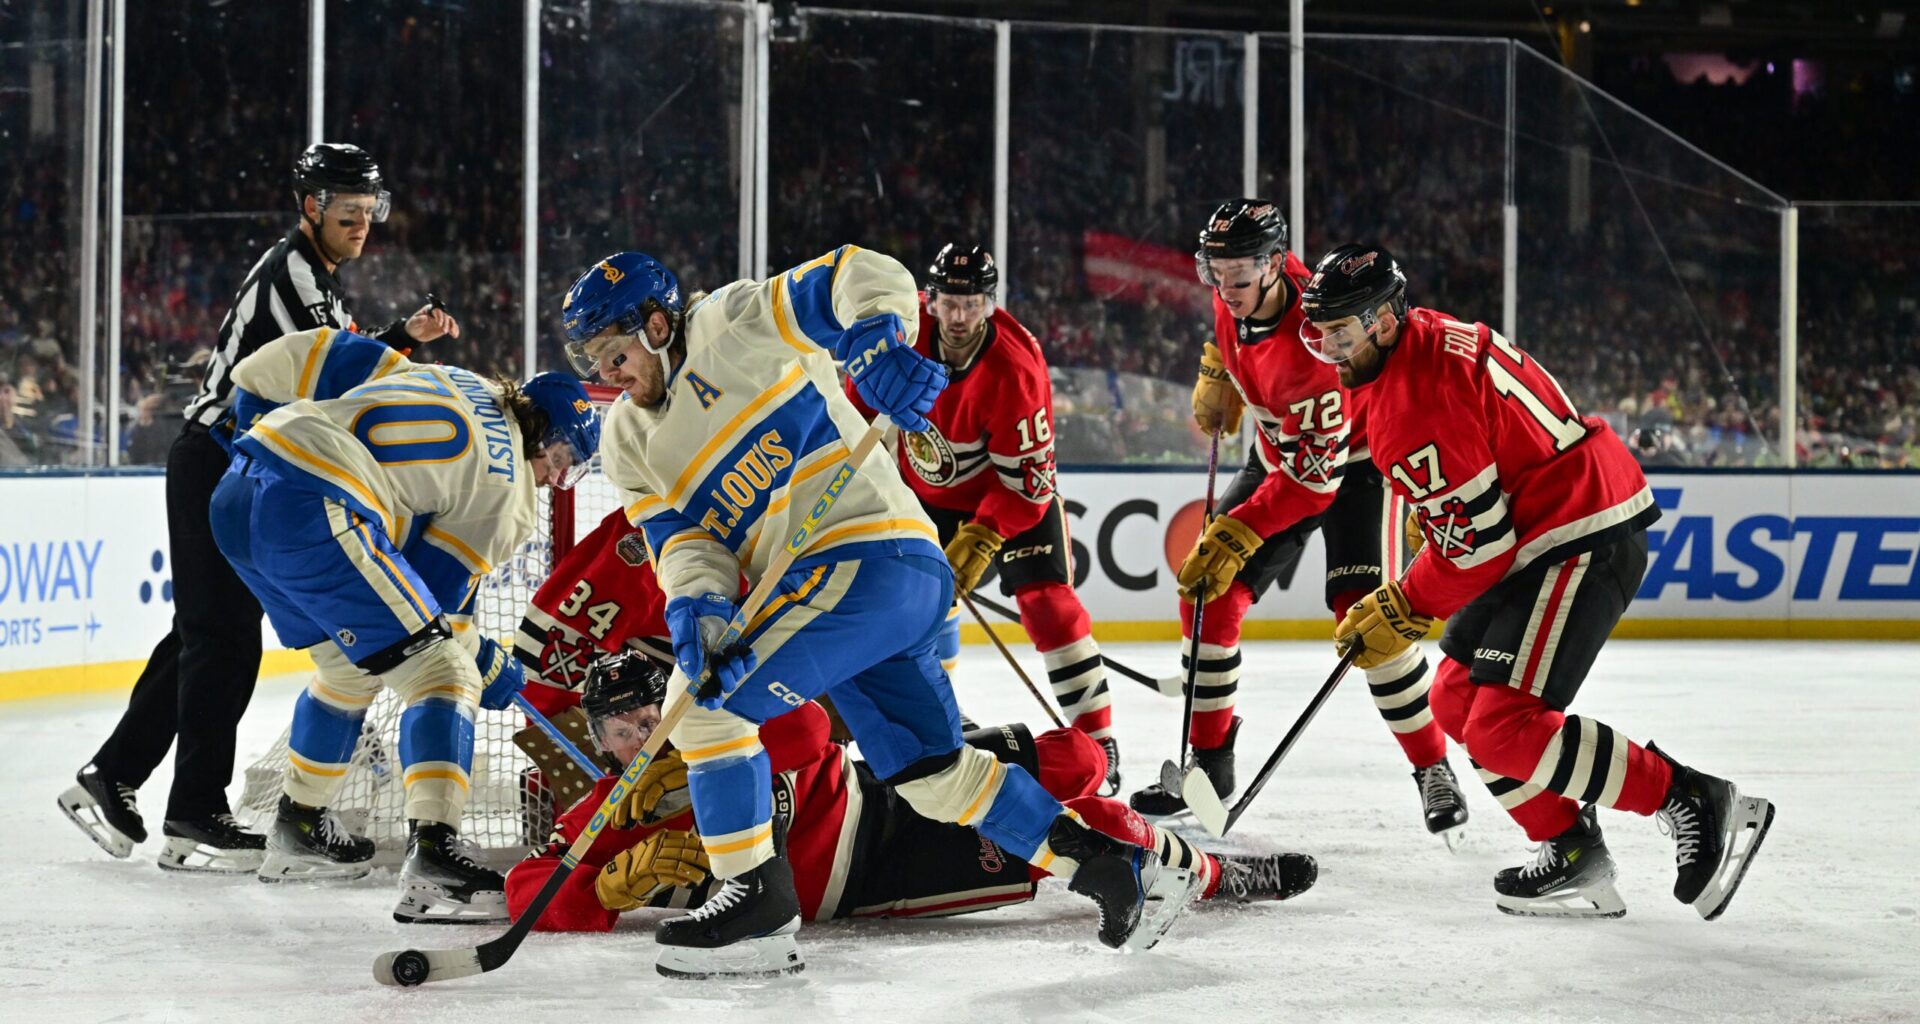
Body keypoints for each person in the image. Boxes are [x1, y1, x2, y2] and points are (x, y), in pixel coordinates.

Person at [560, 247, 1199, 978]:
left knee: (704, 712)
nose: (605, 374)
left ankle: (756, 909)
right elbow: (685, 542)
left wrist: (875, 340)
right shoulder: (627, 442)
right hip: (867, 590)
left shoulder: (731, 323)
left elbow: (857, 274)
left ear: (655, 327)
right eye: (592, 360)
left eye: (613, 354)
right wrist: (697, 608)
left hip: (866, 559)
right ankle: (1123, 871)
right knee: (932, 774)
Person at [1306, 241, 1775, 919]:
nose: (1328, 349)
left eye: (1339, 333)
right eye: (1320, 333)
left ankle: (1692, 797)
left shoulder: (1416, 402)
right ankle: (1571, 849)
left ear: (1381, 321)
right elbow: (1477, 473)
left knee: (1502, 727)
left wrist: (1405, 602)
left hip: (1574, 531)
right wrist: (1434, 516)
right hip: (1541, 525)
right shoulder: (1420, 337)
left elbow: (1479, 547)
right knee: (1455, 701)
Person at [58, 143, 458, 873]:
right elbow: (341, 375)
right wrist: (427, 384)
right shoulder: (294, 274)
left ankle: (112, 775)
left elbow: (333, 361)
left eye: (370, 210)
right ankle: (194, 811)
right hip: (221, 459)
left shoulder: (311, 275)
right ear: (311, 207)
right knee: (224, 639)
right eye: (349, 210)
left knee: (205, 634)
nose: (363, 223)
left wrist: (401, 339)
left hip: (231, 461)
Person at [203, 323, 598, 923]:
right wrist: (488, 663)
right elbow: (435, 610)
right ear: (544, 434)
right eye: (562, 461)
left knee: (348, 668)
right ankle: (436, 857)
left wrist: (253, 432)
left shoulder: (457, 378)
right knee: (445, 676)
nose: (553, 479)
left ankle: (298, 828)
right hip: (317, 508)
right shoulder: (509, 497)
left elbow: (298, 357)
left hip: (237, 491)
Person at [510, 652, 1316, 934]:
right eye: (619, 730)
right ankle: (1213, 874)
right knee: (1091, 825)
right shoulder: (603, 814)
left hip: (878, 790)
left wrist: (698, 753)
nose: (637, 735)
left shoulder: (716, 725)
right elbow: (527, 888)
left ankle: (1152, 825)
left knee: (1069, 759)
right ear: (599, 740)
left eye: (647, 716)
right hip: (875, 873)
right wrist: (607, 886)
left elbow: (813, 732)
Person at [1132, 200, 1466, 847]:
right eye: (1216, 273)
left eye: (1238, 275)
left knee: (1365, 619)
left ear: (1273, 265)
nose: (1225, 289)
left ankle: (1432, 767)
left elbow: (1312, 485)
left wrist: (1236, 532)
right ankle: (1210, 765)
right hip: (1280, 453)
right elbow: (1234, 328)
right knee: (1207, 593)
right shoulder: (1242, 284)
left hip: (1356, 468)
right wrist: (1218, 366)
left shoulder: (1313, 346)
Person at [842, 243, 1121, 794]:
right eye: (949, 302)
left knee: (1050, 608)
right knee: (912, 607)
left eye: (971, 303)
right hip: (924, 496)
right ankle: (940, 726)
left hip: (1010, 495)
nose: (959, 316)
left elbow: (1029, 488)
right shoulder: (901, 330)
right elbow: (856, 408)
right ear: (931, 299)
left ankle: (1100, 743)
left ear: (990, 304)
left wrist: (985, 535)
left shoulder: (1016, 371)